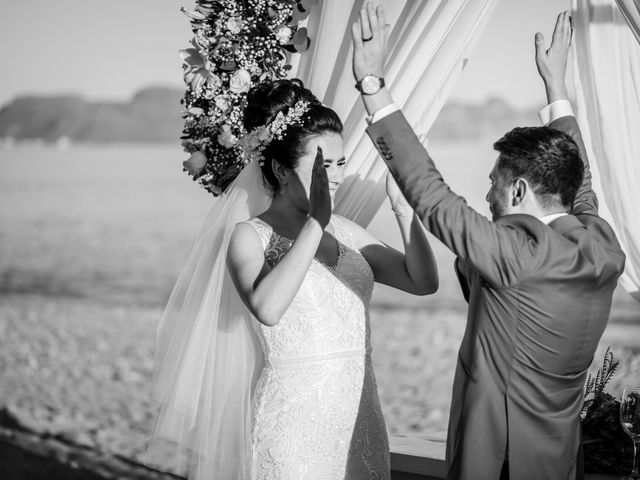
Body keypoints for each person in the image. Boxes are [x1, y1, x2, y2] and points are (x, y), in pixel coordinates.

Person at [351, 4, 625, 480]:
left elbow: (435, 199)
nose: (486, 192)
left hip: (496, 457)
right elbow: (580, 184)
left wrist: (374, 87)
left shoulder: (517, 254)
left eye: (494, 181)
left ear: (518, 190)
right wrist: (556, 91)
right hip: (557, 457)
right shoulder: (601, 244)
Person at [148, 78, 438, 480]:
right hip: (292, 429)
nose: (334, 177)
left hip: (359, 416)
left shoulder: (348, 231)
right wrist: (316, 224)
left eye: (339, 165)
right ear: (282, 170)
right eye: (322, 166)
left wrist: (407, 212)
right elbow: (267, 308)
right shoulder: (249, 236)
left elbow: (421, 281)